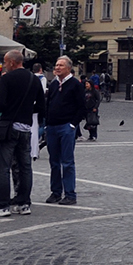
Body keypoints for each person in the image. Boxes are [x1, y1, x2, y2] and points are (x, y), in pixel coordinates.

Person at [0, 49, 43, 217]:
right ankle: (24, 203)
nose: (4, 65)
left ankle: (2, 205)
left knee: (4, 167)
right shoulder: (34, 79)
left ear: (12, 62)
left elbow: (0, 104)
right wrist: (27, 111)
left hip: (9, 126)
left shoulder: (6, 79)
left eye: (5, 62)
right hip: (26, 127)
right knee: (25, 167)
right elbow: (42, 105)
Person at [43, 56, 86, 205]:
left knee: (67, 162)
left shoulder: (75, 84)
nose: (57, 68)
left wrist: (73, 124)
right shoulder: (54, 84)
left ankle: (70, 194)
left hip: (66, 127)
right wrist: (47, 123)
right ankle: (55, 192)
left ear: (68, 68)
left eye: (60, 65)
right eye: (56, 65)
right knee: (54, 162)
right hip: (52, 127)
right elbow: (48, 104)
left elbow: (82, 107)